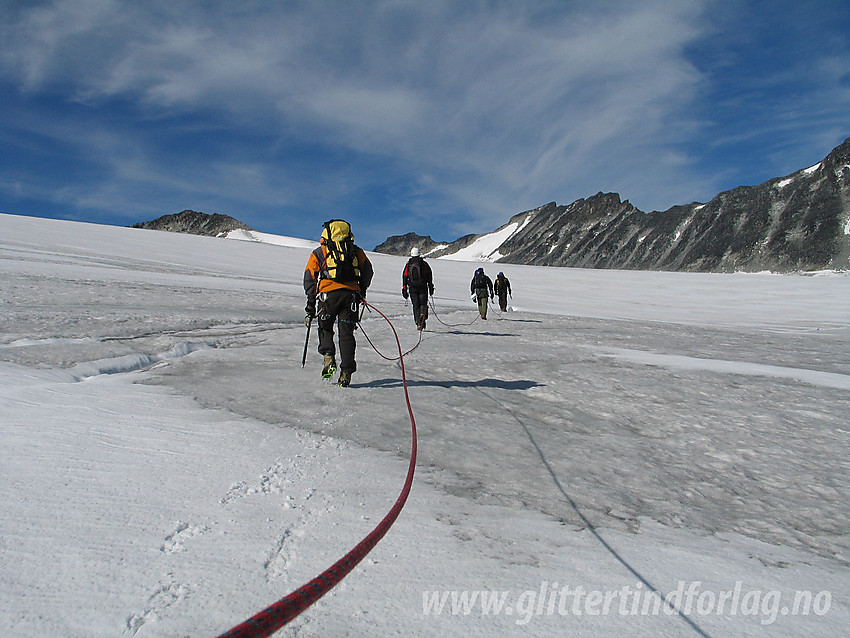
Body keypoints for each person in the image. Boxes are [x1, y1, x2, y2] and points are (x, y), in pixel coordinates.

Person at [303, 219, 373, 387]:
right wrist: (361, 290)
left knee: (325, 327)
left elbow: (309, 277)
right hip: (350, 297)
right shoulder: (355, 251)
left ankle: (328, 356)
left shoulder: (320, 252)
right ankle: (346, 371)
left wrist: (311, 302)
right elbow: (368, 270)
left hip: (328, 296)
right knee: (346, 333)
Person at [401, 247, 434, 330]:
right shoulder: (424, 264)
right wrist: (430, 286)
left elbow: (405, 276)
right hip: (423, 287)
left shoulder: (408, 264)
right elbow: (429, 275)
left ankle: (418, 323)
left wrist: (404, 288)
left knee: (415, 305)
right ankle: (423, 315)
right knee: (423, 303)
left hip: (412, 288)